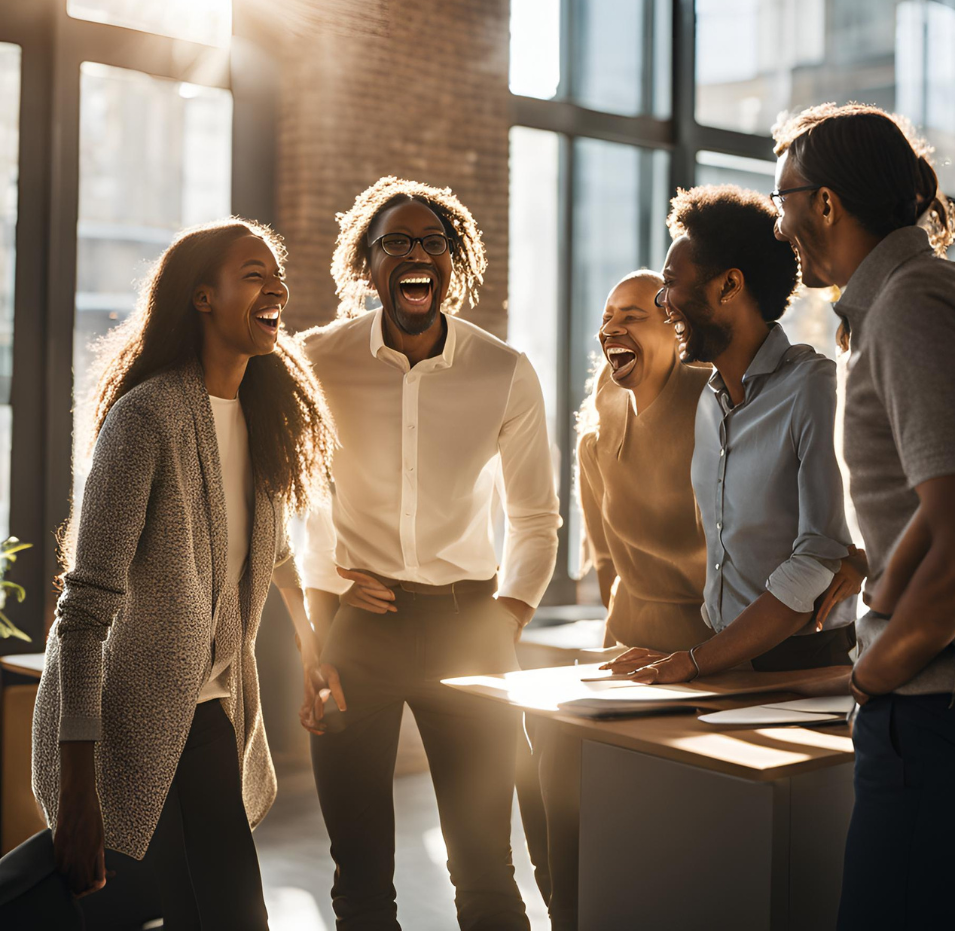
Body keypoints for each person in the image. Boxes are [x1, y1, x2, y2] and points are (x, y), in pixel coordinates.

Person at [771, 102, 955, 930]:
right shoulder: (921, 301)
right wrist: (876, 577)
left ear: (825, 202)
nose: (779, 225)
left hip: (948, 711)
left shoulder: (912, 307)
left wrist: (870, 675)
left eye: (782, 201)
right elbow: (945, 513)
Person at [30, 219, 335, 930]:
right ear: (202, 296)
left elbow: (274, 552)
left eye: (277, 274)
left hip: (205, 719)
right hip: (116, 727)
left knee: (237, 918)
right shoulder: (146, 421)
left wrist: (315, 648)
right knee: (147, 917)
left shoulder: (262, 418)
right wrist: (79, 797)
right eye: (254, 273)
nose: (277, 287)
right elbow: (82, 613)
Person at [296, 176, 560, 931]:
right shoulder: (316, 359)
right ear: (367, 265)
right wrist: (321, 619)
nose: (417, 255)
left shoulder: (504, 370)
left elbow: (536, 517)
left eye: (433, 243)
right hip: (361, 634)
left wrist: (504, 618)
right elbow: (300, 503)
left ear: (455, 262)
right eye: (397, 244)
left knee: (483, 866)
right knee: (360, 873)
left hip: (469, 627)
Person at [604, 184, 864, 684]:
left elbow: (816, 559)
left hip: (803, 661)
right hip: (726, 655)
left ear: (729, 286)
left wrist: (696, 661)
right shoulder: (709, 400)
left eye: (672, 284)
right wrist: (684, 652)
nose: (664, 303)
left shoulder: (813, 389)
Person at [577, 269, 713, 652]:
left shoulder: (719, 412)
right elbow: (605, 564)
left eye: (632, 317)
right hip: (628, 643)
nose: (611, 330)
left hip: (715, 651)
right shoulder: (598, 432)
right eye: (607, 319)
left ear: (677, 328)